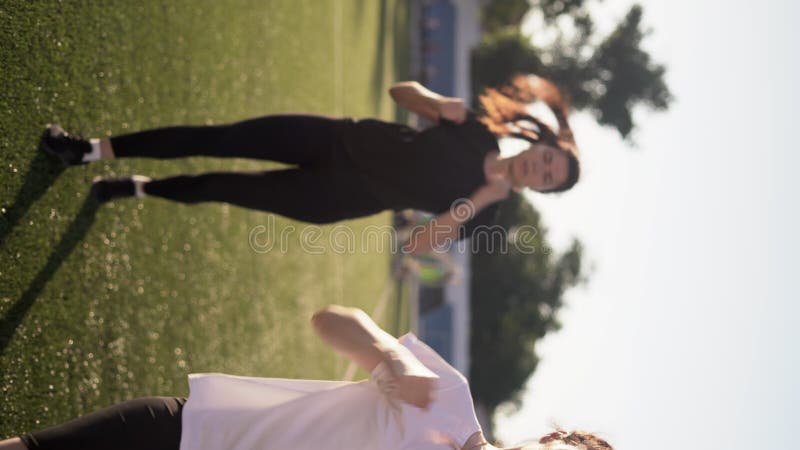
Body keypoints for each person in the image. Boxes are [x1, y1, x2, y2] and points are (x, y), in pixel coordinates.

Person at [39, 75, 580, 253]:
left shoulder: (488, 215)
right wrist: (437, 104)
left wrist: (480, 198)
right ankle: (87, 150)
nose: (543, 169)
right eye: (549, 160)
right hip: (333, 139)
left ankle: (138, 188)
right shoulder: (476, 130)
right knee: (221, 138)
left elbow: (413, 244)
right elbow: (399, 92)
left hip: (337, 199)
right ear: (540, 144)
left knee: (221, 186)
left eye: (551, 178)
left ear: (543, 190)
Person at [0, 305, 613, 450]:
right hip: (189, 436)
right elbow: (331, 321)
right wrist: (390, 358)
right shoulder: (449, 400)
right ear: (550, 442)